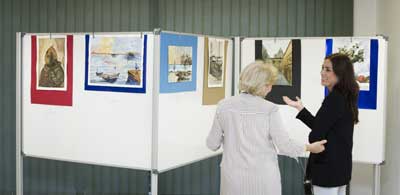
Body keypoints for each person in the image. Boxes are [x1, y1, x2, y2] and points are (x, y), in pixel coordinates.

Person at [206, 61, 328, 195]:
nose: (271, 88)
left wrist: (230, 136)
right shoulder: (269, 109)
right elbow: (284, 145)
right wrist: (310, 147)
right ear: (263, 85)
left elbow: (212, 144)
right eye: (270, 84)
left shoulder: (223, 106)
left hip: (233, 180)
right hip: (264, 179)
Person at [283, 53, 359, 195]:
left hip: (327, 170)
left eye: (328, 69)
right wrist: (300, 108)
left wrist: (311, 142)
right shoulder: (345, 97)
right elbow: (323, 125)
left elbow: (316, 134)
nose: (322, 73)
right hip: (341, 169)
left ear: (340, 73)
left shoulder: (333, 100)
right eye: (322, 68)